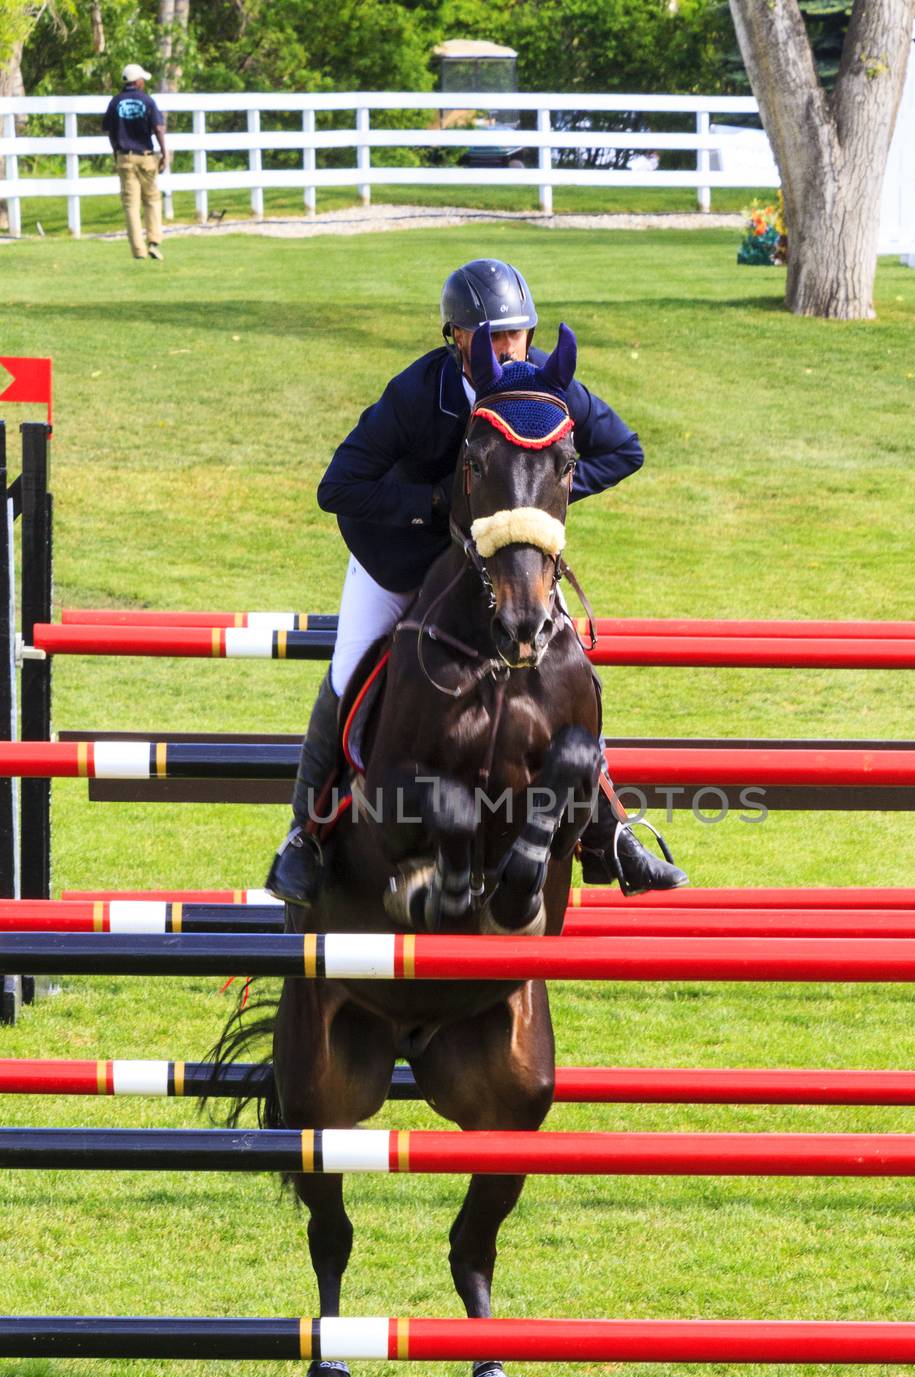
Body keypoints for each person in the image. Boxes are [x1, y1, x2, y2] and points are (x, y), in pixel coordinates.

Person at [266, 257, 688, 906]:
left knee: (571, 664)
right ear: (455, 337)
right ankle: (306, 832)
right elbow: (338, 487)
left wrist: (541, 502)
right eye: (491, 336)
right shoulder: (416, 394)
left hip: (505, 565)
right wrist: (436, 502)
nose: (506, 349)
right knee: (348, 669)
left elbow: (622, 451)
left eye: (515, 335)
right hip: (401, 560)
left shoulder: (544, 389)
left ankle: (609, 829)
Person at [103, 65, 168, 262]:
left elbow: (110, 131)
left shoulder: (115, 102)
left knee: (131, 205)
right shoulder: (147, 100)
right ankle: (154, 242)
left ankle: (138, 251)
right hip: (146, 156)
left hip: (124, 156)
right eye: (143, 79)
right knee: (152, 199)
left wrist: (116, 152)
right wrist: (164, 153)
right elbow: (158, 128)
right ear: (137, 81)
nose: (144, 82)